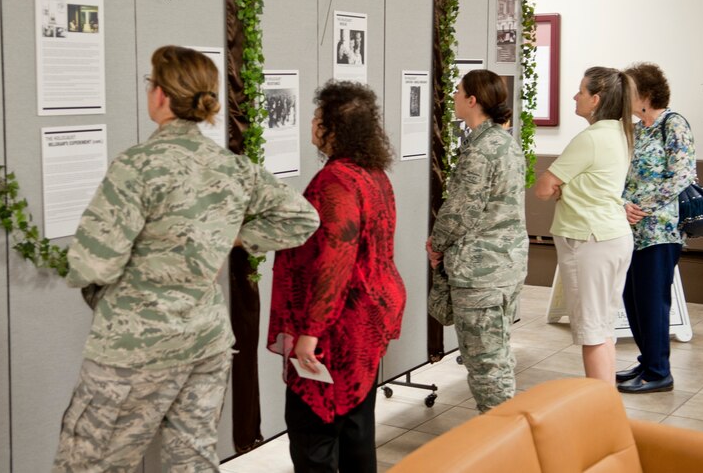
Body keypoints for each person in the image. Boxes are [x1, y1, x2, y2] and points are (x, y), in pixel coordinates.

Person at [52, 46, 320, 472]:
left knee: (88, 464)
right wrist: (231, 238)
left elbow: (92, 264)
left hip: (134, 346)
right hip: (205, 341)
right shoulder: (232, 167)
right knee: (191, 460)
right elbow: (302, 219)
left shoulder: (137, 165)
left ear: (159, 95)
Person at [268, 81, 406, 473]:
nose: (312, 126)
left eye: (318, 119)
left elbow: (336, 259)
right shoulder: (372, 173)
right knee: (355, 425)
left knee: (314, 430)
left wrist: (311, 331)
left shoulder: (336, 182)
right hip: (369, 316)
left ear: (333, 129)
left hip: (339, 324)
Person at [425, 69, 528, 412]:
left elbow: (460, 212)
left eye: (457, 91)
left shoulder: (481, 149)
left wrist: (436, 244)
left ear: (473, 100)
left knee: (485, 364)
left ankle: (503, 444)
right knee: (497, 355)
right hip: (506, 266)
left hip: (481, 273)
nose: (452, 96)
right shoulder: (506, 143)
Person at [535, 67, 636, 385]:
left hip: (590, 241)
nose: (574, 97)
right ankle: (607, 404)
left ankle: (601, 411)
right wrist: (569, 187)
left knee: (592, 331)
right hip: (613, 237)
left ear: (595, 100)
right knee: (603, 327)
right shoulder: (621, 132)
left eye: (580, 91)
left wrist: (564, 189)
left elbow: (543, 188)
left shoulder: (590, 138)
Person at [616, 63, 696, 394]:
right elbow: (622, 175)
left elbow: (682, 175)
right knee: (632, 299)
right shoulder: (637, 129)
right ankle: (647, 360)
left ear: (646, 95)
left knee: (652, 300)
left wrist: (643, 207)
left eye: (630, 91)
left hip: (660, 232)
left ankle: (659, 372)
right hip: (630, 230)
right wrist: (622, 204)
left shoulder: (673, 124)